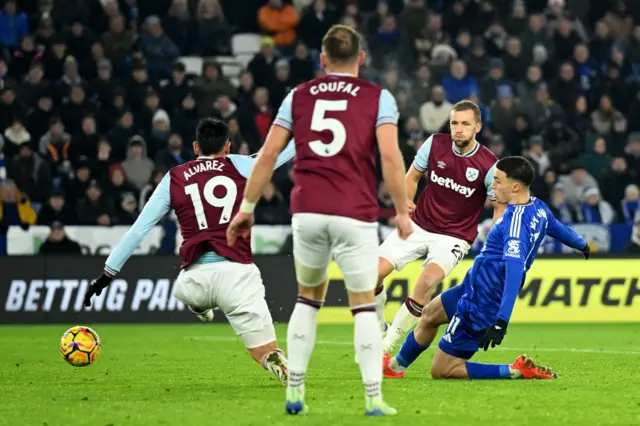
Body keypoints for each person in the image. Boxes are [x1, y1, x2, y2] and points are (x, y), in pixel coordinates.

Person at [226, 25, 411, 416]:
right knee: (362, 306)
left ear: (322, 60)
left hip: (307, 211)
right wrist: (402, 210)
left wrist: (246, 207)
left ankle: (295, 391)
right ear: (360, 58)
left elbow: (267, 155)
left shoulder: (298, 96)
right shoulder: (379, 98)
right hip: (354, 212)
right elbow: (392, 159)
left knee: (307, 300)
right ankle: (373, 398)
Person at [83, 118, 295, 386]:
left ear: (195, 147)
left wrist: (105, 275)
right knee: (264, 352)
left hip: (193, 280)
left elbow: (138, 231)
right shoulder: (243, 165)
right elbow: (281, 151)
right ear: (227, 147)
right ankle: (282, 368)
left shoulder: (174, 177)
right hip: (238, 277)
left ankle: (199, 304)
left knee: (188, 288)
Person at [383, 156, 590, 380]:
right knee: (430, 315)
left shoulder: (514, 226)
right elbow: (558, 228)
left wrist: (501, 321)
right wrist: (581, 243)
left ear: (515, 186)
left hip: (482, 301)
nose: (492, 186)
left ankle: (515, 371)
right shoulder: (537, 207)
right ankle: (395, 367)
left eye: (498, 181)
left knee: (443, 370)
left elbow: (514, 273)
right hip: (472, 286)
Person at [376, 100, 505, 361]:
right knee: (370, 278)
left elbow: (499, 208)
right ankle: (380, 328)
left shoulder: (489, 164)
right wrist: (405, 206)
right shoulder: (435, 144)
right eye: (454, 123)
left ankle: (386, 345)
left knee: (426, 281)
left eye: (465, 124)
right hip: (419, 224)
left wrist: (495, 238)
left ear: (477, 127)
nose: (458, 129)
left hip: (454, 237)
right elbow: (412, 177)